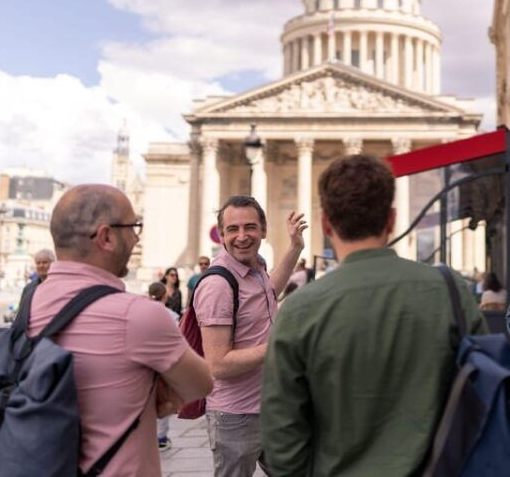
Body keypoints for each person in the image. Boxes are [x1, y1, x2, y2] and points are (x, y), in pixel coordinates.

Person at [261, 154, 486, 475]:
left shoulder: (299, 309)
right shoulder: (449, 291)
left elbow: (281, 434)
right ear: (391, 219)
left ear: (326, 224)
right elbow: (482, 395)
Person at [27, 184, 213, 475]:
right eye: (133, 226)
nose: (137, 237)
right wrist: (150, 392)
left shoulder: (29, 304)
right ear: (106, 236)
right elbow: (201, 385)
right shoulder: (138, 315)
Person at [193, 195, 306, 477]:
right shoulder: (218, 285)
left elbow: (270, 291)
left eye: (250, 227)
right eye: (233, 229)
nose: (242, 237)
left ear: (263, 231)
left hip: (270, 407)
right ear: (221, 235)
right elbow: (217, 365)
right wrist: (279, 346)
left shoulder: (256, 268)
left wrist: (294, 247)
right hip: (236, 417)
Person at [147, 282, 180, 450]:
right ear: (165, 295)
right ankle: (161, 437)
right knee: (163, 400)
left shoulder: (141, 313)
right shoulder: (171, 316)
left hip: (144, 363)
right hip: (163, 362)